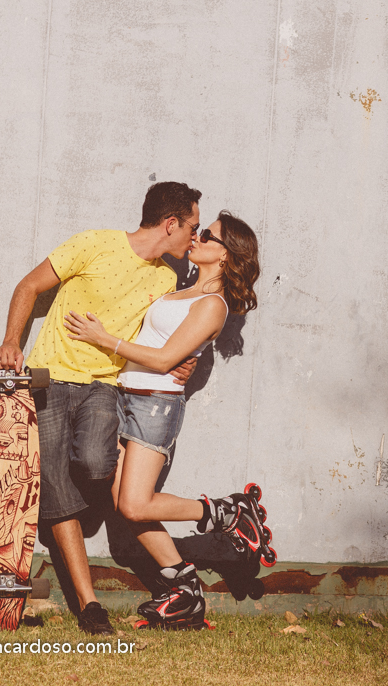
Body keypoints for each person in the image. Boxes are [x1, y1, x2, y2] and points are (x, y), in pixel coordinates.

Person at [0, 182, 201, 634]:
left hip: (104, 387)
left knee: (94, 462)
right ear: (170, 224)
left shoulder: (167, 278)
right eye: (192, 228)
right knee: (58, 490)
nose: (194, 239)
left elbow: (168, 330)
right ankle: (89, 605)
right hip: (48, 378)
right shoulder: (94, 243)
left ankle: (78, 496)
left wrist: (187, 359)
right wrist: (11, 342)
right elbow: (29, 285)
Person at [63, 211, 260, 628]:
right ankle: (185, 588)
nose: (199, 237)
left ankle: (227, 512)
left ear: (226, 256)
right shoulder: (181, 289)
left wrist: (104, 339)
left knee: (135, 505)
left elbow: (166, 359)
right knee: (124, 505)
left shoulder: (213, 305)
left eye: (209, 235)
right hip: (126, 398)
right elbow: (158, 342)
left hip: (156, 406)